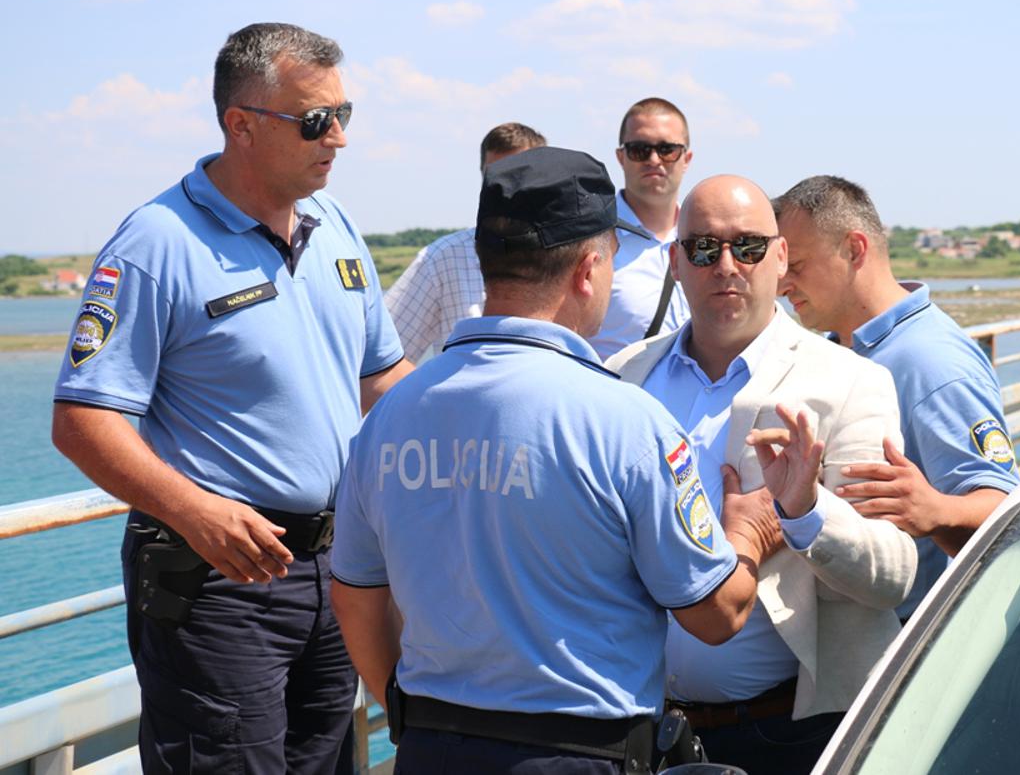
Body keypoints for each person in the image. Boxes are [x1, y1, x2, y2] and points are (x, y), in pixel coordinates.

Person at [330, 148, 787, 775]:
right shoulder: (627, 420)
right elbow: (715, 614)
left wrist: (415, 720)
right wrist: (747, 534)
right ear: (589, 269)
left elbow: (355, 599)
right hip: (580, 754)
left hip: (431, 747)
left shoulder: (391, 415)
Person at [50, 22, 413, 774]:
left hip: (336, 569)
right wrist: (195, 512)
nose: (339, 137)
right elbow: (83, 419)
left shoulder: (335, 225)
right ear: (241, 125)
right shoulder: (156, 244)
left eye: (345, 114)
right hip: (218, 580)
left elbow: (384, 380)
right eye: (316, 120)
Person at [608, 174, 917, 775]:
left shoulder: (849, 382)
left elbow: (894, 577)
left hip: (789, 734)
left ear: (779, 257)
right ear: (675, 262)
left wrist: (806, 513)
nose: (727, 265)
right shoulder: (625, 376)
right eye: (704, 248)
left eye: (748, 247)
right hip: (642, 730)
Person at [773, 175, 1020, 620]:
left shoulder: (929, 360)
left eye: (797, 265)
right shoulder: (840, 349)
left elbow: (1008, 508)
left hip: (905, 632)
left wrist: (937, 510)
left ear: (854, 249)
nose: (782, 285)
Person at [384, 122, 547, 361]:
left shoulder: (573, 257)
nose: (508, 190)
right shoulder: (443, 259)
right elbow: (381, 357)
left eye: (521, 176)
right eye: (497, 178)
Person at [589, 97, 694, 360]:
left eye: (667, 149)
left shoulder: (709, 241)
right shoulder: (588, 239)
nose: (654, 159)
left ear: (686, 158)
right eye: (640, 149)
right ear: (621, 157)